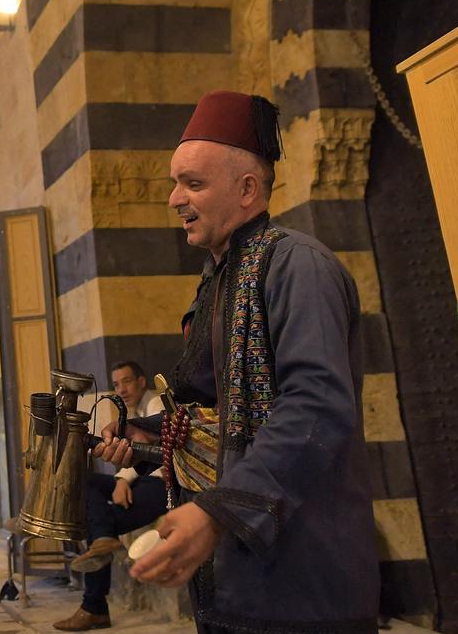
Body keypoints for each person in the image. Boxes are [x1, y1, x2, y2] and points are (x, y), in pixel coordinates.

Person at [95, 91, 379, 633]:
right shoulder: (217, 278)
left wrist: (219, 511)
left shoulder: (299, 267)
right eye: (175, 183)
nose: (175, 199)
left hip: (300, 578)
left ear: (248, 188)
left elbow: (316, 406)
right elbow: (215, 415)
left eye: (193, 183)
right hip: (230, 576)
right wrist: (140, 432)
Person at [53, 361, 167, 632]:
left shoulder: (155, 405)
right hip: (142, 480)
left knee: (99, 523)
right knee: (86, 481)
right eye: (116, 384)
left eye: (127, 382)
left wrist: (122, 480)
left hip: (163, 485)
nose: (121, 389)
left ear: (141, 381)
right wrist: (121, 479)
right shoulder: (130, 409)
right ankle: (94, 601)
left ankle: (94, 608)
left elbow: (162, 455)